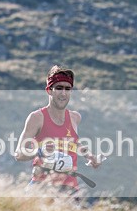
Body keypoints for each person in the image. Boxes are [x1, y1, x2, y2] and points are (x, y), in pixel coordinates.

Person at [14, 65, 101, 194]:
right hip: (42, 187)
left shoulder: (74, 117)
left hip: (70, 189)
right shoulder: (37, 117)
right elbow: (19, 154)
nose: (63, 93)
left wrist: (89, 156)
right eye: (59, 88)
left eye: (68, 89)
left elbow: (74, 142)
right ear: (49, 90)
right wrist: (39, 152)